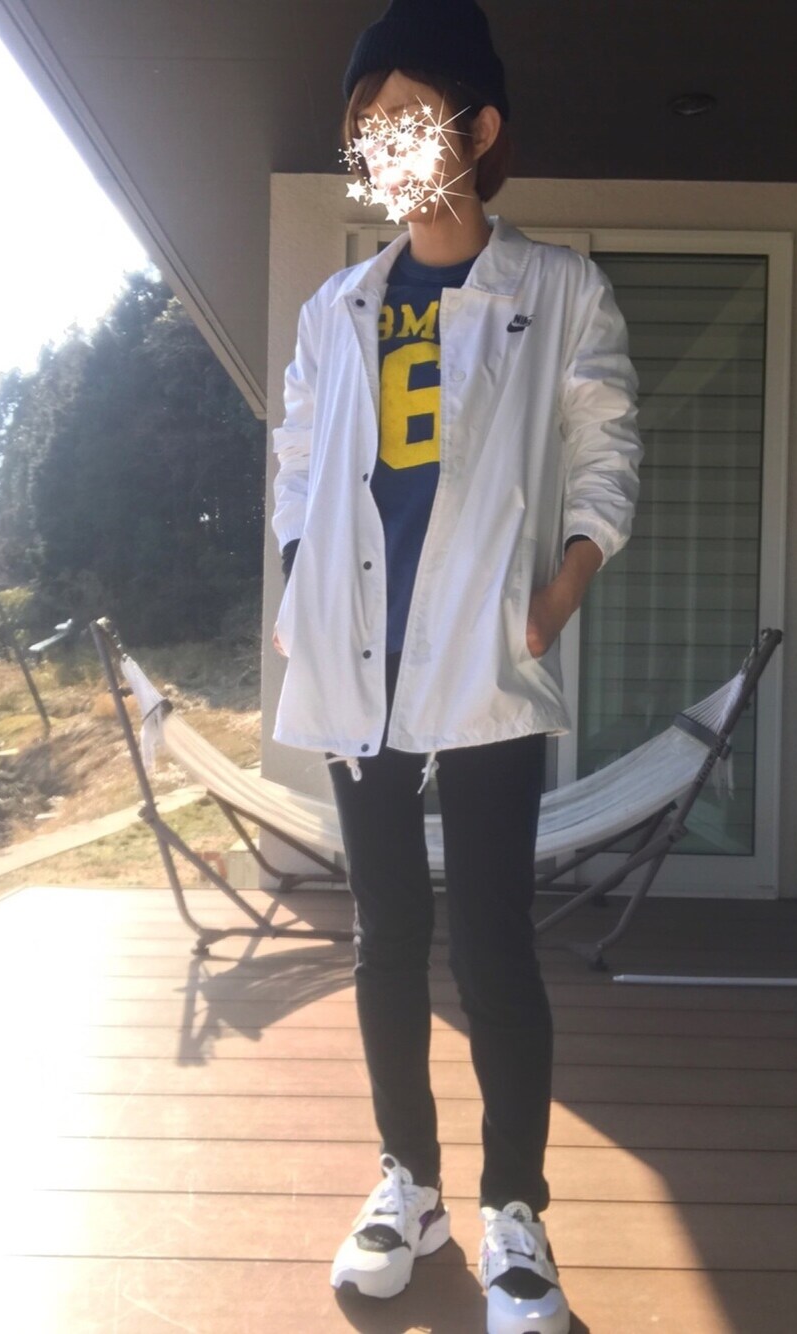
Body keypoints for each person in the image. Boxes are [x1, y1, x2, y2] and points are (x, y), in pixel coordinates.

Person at [270, 3, 641, 1330]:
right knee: (385, 938)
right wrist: (296, 586)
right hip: (356, 658)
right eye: (365, 127)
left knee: (493, 946)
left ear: (479, 131)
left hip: (485, 653)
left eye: (407, 119)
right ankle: (409, 1182)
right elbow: (299, 462)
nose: (381, 144)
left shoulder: (560, 291)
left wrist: (558, 595)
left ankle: (515, 1211)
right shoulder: (334, 309)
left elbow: (605, 450)